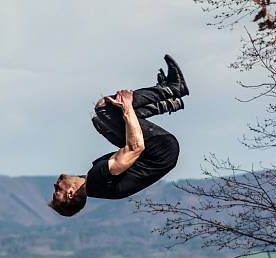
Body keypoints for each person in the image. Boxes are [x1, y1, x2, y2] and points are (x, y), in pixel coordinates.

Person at [49, 54, 189, 217]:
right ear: (71, 193)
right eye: (57, 190)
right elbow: (135, 148)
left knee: (102, 123)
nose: (55, 184)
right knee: (104, 108)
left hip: (158, 154)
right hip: (161, 149)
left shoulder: (96, 184)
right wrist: (127, 106)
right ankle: (173, 88)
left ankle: (168, 104)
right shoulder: (98, 178)